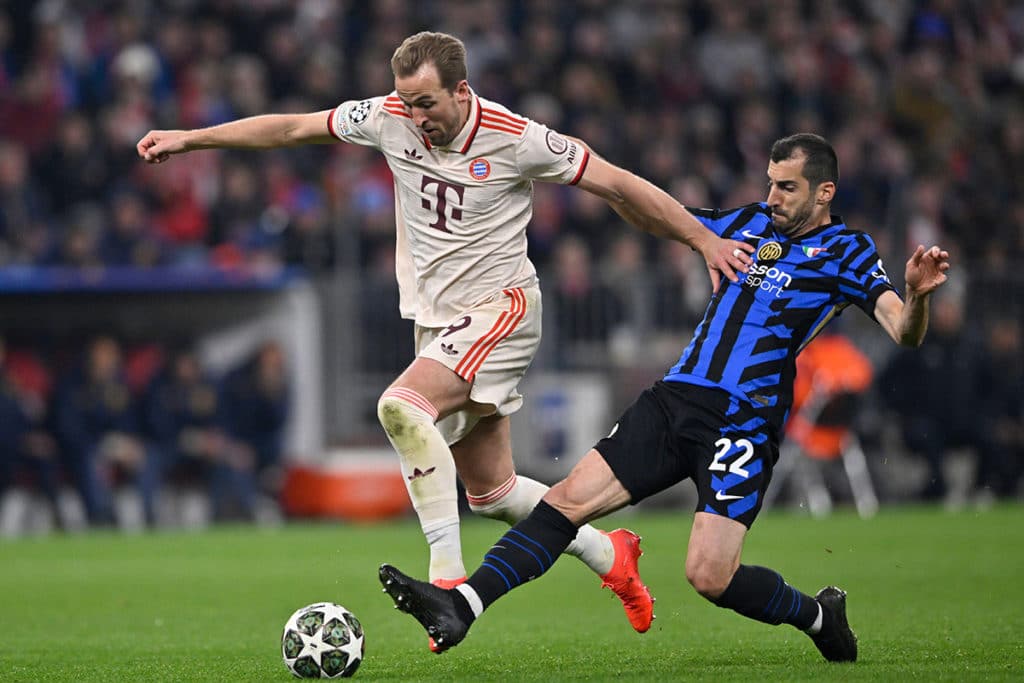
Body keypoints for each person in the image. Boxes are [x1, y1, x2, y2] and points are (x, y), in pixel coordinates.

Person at [137, 31, 751, 646]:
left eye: (426, 102)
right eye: (406, 101)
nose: (414, 115)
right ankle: (610, 554)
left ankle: (448, 583)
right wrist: (191, 139)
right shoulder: (388, 116)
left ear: (461, 91)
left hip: (502, 310)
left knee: (401, 407)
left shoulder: (517, 138)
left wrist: (703, 239)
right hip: (438, 324)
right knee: (493, 494)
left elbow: (617, 184)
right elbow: (294, 128)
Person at [378, 133, 952, 663]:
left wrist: (918, 296)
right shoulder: (747, 221)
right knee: (565, 501)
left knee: (709, 576)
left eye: (787, 187)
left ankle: (820, 617)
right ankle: (462, 606)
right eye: (770, 183)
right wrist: (610, 186)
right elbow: (662, 217)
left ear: (824, 192)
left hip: (743, 422)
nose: (772, 196)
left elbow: (903, 330)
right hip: (675, 398)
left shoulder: (847, 251)